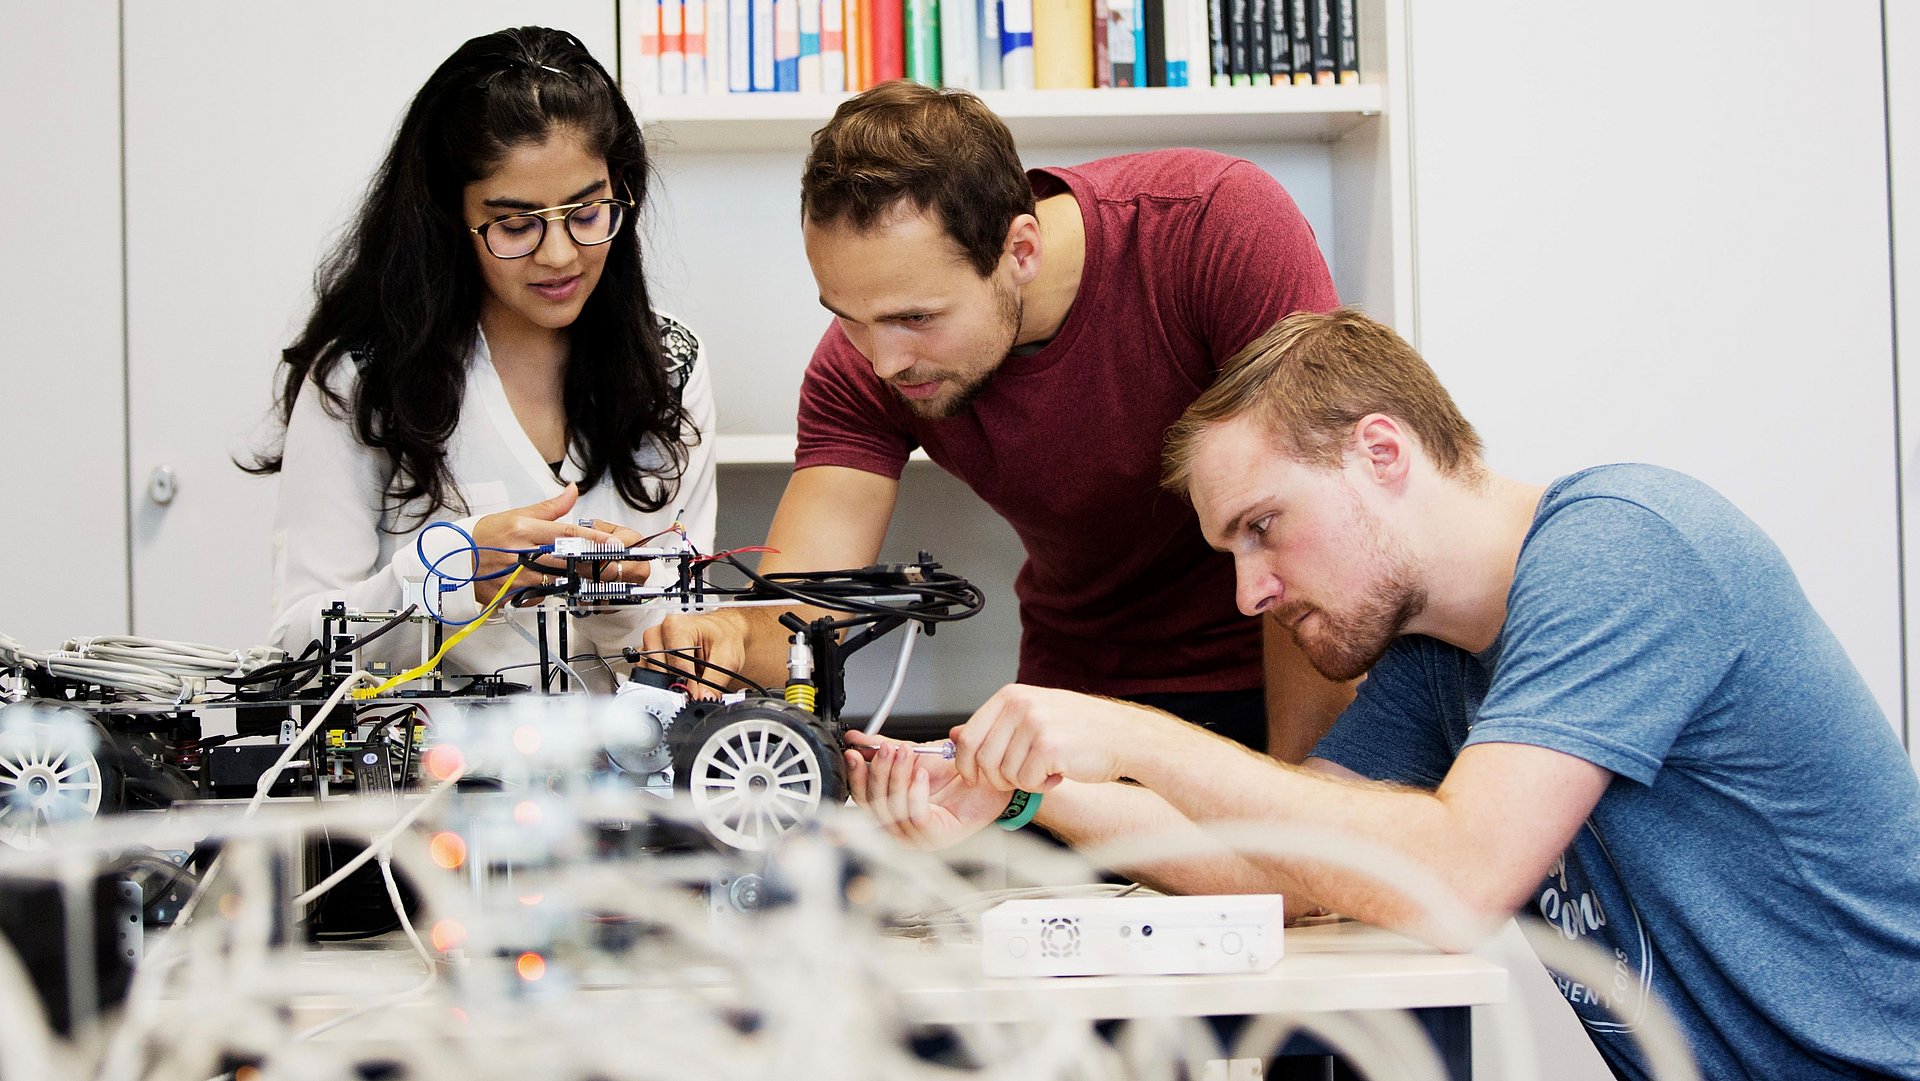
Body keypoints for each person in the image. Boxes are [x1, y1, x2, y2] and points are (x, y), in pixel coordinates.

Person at [846, 308, 1920, 1080]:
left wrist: (1129, 731)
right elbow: (1286, 864)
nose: (1249, 589)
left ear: (1380, 450)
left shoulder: (1623, 550)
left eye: (1262, 526)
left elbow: (1460, 876)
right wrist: (1023, 793)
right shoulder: (1439, 660)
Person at [645, 81, 1346, 758]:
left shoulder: (1215, 227)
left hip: (1281, 673)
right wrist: (732, 633)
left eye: (915, 317)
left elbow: (1310, 533)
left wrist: (1299, 794)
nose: (884, 361)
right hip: (1075, 703)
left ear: (1020, 252)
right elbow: (802, 602)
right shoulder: (856, 367)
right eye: (849, 319)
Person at [248, 27, 716, 690]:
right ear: (449, 217)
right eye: (517, 225)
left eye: (587, 213)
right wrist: (452, 571)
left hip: (627, 780)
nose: (559, 254)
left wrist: (620, 604)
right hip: (424, 784)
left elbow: (692, 636)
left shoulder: (672, 367)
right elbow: (298, 648)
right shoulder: (362, 377)